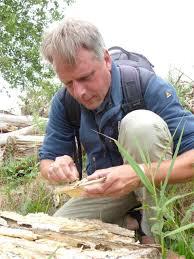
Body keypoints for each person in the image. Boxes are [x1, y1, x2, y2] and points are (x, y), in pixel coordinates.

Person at [39, 18, 194, 243]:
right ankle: (131, 224)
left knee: (141, 125)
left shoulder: (146, 85)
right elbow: (46, 161)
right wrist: (55, 167)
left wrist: (136, 174)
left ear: (106, 59)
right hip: (105, 187)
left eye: (85, 77)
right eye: (69, 83)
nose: (79, 92)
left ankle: (156, 236)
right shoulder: (64, 102)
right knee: (55, 231)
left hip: (156, 181)